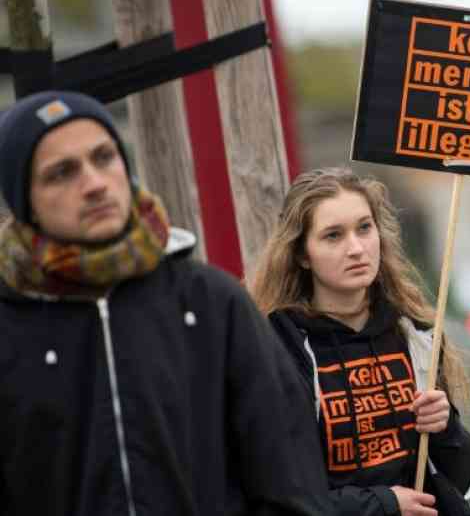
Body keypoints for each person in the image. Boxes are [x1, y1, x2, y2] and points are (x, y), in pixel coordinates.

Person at [0, 91, 330, 515]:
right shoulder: (9, 323)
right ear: (25, 200)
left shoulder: (211, 302)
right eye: (61, 173)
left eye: (104, 157)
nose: (95, 183)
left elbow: (290, 477)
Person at [249, 167, 470, 516]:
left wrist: (446, 430)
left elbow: (457, 479)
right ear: (302, 254)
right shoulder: (278, 346)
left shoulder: (413, 332)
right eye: (333, 236)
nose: (356, 248)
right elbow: (279, 494)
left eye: (364, 228)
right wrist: (383, 504)